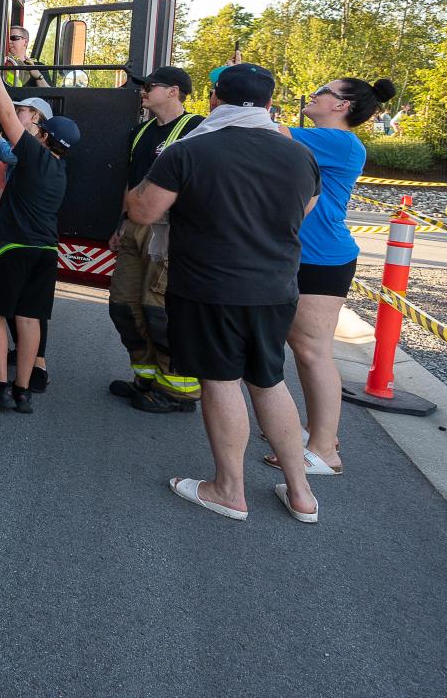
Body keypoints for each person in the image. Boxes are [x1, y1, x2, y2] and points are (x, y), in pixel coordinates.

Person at [126, 63, 323, 523]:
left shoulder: (190, 150)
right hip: (276, 287)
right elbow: (306, 208)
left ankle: (228, 489)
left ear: (214, 99)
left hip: (208, 285)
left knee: (220, 380)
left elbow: (143, 211)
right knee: (269, 380)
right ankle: (301, 493)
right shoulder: (298, 156)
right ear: (271, 103)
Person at [260, 76, 398, 480]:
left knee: (312, 350)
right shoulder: (322, 138)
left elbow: (265, 126)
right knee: (304, 348)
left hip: (321, 258)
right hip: (307, 255)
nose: (315, 94)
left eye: (324, 91)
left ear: (342, 106)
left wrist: (249, 88)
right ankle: (318, 435)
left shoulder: (338, 141)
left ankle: (324, 448)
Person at [0, 47, 78, 414]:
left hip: (13, 247)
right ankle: (22, 391)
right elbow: (5, 194)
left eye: (37, 128)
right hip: (45, 252)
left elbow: (9, 115)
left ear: (43, 137)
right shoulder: (57, 172)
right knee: (29, 319)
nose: (32, 129)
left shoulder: (33, 155)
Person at [107, 66, 206, 412]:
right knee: (123, 305)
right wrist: (121, 224)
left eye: (150, 86)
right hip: (135, 227)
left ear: (174, 90)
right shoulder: (141, 132)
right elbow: (130, 183)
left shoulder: (197, 129)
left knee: (159, 310)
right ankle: (146, 377)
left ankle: (179, 391)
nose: (143, 91)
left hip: (168, 230)